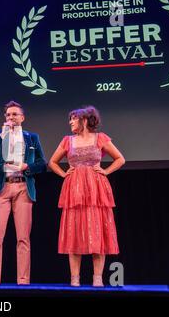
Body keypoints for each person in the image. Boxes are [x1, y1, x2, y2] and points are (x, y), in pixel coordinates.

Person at [48, 106, 125, 287]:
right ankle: (75, 280)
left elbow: (120, 159)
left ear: (84, 120)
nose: (70, 122)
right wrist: (63, 173)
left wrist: (105, 171)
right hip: (74, 189)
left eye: (73, 119)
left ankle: (97, 279)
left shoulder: (101, 138)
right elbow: (52, 161)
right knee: (74, 231)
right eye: (70, 119)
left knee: (97, 231)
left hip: (96, 189)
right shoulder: (68, 141)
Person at [0, 101, 46, 285]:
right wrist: (1, 136)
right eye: (8, 115)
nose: (11, 117)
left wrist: (28, 166)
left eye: (14, 114)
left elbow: (42, 163)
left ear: (22, 117)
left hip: (22, 187)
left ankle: (23, 282)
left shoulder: (31, 138)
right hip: (2, 186)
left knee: (23, 238)